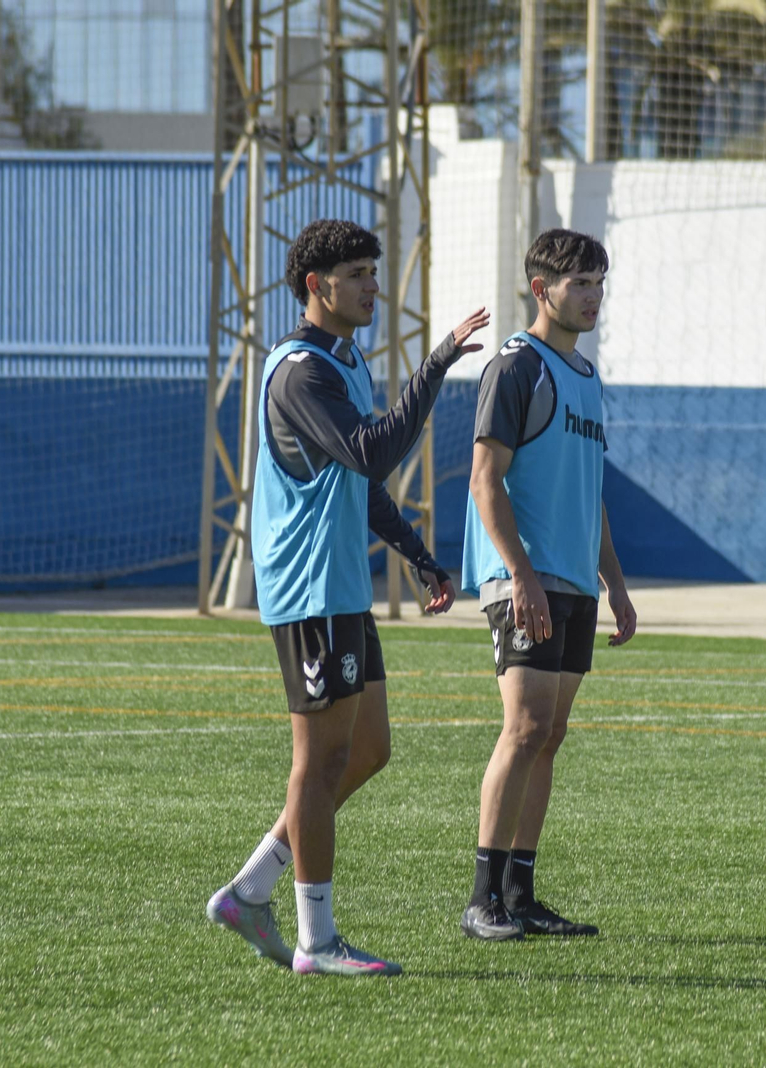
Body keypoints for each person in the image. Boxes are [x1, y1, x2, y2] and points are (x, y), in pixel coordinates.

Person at [206, 218, 490, 975]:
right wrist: (434, 368)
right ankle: (316, 940)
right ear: (315, 287)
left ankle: (251, 889)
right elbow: (373, 449)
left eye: (374, 270)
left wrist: (419, 556)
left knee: (368, 750)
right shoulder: (301, 372)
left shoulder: (345, 360)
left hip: (340, 589)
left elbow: (358, 480)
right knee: (320, 760)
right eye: (359, 274)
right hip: (308, 592)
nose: (374, 287)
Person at [458, 228, 637, 941]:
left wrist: (615, 587)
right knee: (524, 726)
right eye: (579, 285)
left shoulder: (587, 379)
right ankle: (481, 899)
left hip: (573, 582)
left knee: (551, 734)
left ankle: (520, 891)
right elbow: (483, 480)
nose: (592, 297)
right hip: (521, 577)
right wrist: (521, 576)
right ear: (542, 290)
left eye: (599, 283)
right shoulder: (516, 365)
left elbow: (590, 496)